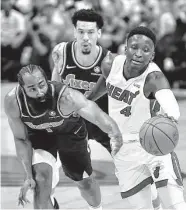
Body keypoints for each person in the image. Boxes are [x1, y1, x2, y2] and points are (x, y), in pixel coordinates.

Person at [87, 26, 186, 209]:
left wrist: (170, 118)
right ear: (125, 48)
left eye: (146, 50)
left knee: (175, 204)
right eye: (134, 47)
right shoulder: (110, 63)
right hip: (122, 147)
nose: (139, 53)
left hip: (153, 144)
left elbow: (172, 107)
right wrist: (88, 99)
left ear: (152, 55)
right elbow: (106, 79)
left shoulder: (154, 77)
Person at [4, 64, 123, 209]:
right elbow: (21, 139)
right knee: (40, 182)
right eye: (32, 89)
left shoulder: (66, 97)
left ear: (46, 80)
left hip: (70, 134)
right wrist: (29, 176)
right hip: (40, 137)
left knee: (85, 183)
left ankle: (96, 208)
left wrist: (115, 134)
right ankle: (50, 202)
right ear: (22, 89)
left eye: (41, 85)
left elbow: (97, 115)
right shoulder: (13, 102)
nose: (40, 92)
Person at [51, 9, 111, 153]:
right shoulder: (61, 52)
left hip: (100, 117)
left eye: (90, 32)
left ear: (99, 33)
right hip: (73, 119)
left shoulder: (108, 61)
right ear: (74, 32)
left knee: (126, 160)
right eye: (81, 31)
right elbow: (55, 87)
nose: (85, 37)